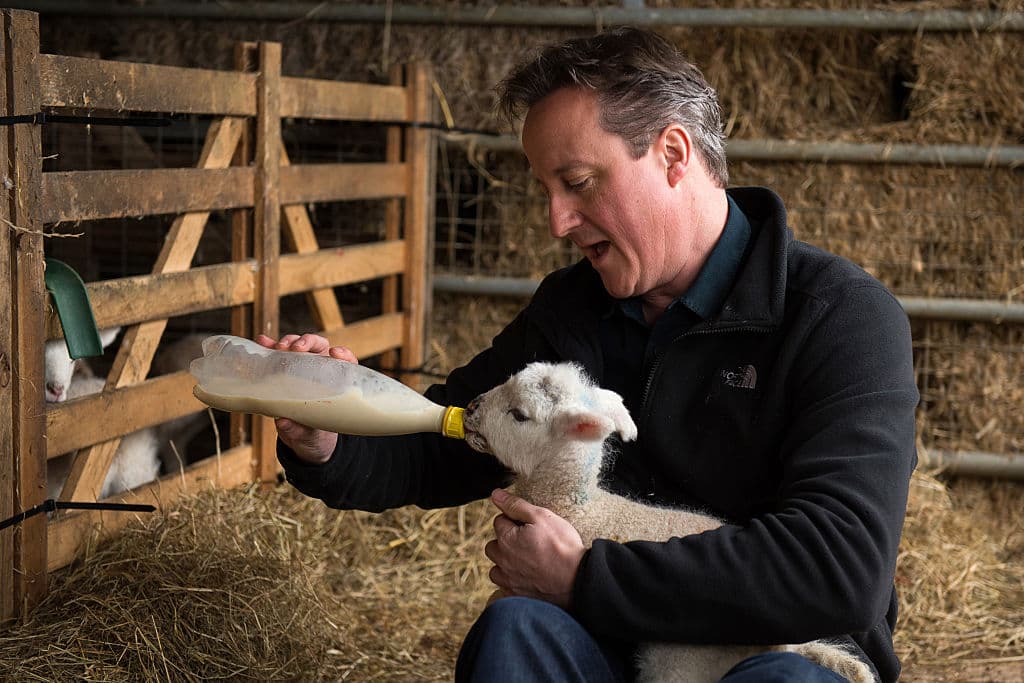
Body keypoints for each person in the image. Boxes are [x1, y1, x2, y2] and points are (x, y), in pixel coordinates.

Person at [262, 27, 918, 683]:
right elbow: (454, 431)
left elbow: (838, 565)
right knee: (515, 630)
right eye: (546, 188)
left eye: (578, 182)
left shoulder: (839, 318)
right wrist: (330, 439)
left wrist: (587, 578)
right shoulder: (574, 310)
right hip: (612, 648)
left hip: (777, 651)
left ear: (672, 153)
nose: (556, 220)